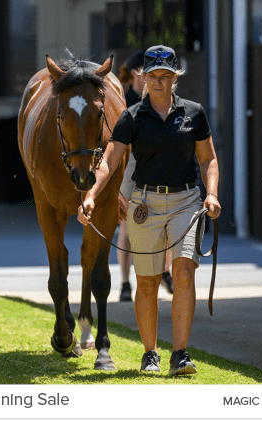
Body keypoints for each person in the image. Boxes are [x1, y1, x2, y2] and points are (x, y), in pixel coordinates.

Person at [78, 45, 220, 375]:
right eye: (153, 76)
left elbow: (208, 159)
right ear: (144, 78)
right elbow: (110, 161)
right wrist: (90, 195)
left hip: (186, 201)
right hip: (146, 205)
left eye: (165, 76)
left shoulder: (194, 114)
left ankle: (180, 354)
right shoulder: (132, 118)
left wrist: (211, 194)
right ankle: (151, 353)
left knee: (184, 271)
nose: (159, 82)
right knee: (147, 282)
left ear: (175, 78)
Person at [116, 50, 173, 302]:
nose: (147, 77)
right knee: (127, 226)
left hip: (158, 164)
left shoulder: (163, 100)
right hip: (130, 168)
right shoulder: (122, 100)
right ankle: (125, 282)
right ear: (135, 74)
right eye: (144, 71)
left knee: (167, 223)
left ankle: (165, 271)